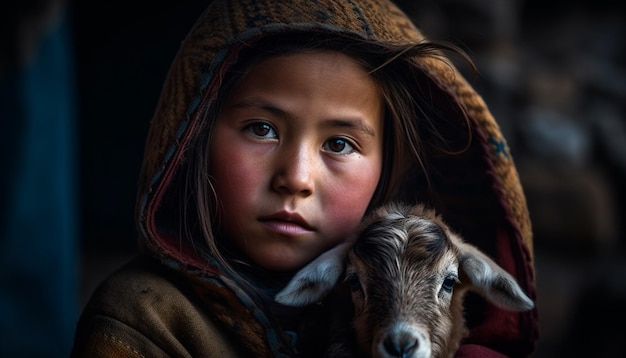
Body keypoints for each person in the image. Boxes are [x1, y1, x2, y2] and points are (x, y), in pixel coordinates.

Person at [71, 0, 538, 357]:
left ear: (387, 167)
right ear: (192, 137)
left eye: (339, 144)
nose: (295, 179)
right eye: (262, 129)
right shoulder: (141, 320)